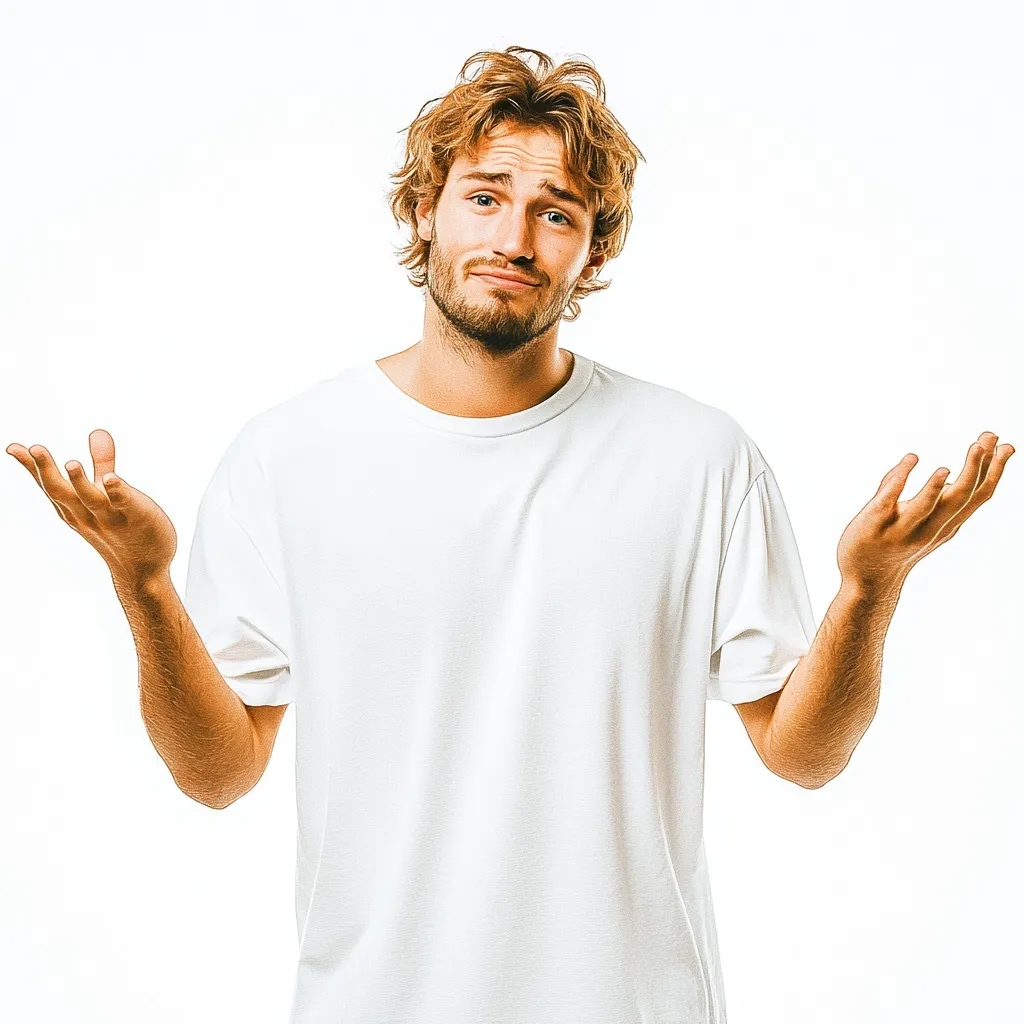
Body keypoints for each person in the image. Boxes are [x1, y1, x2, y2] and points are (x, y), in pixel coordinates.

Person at [6, 44, 1012, 1024]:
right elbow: (216, 772)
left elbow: (803, 755)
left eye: (555, 212)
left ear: (595, 248)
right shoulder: (288, 456)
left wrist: (870, 588)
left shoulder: (696, 457)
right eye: (483, 196)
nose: (514, 240)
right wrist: (142, 584)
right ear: (423, 209)